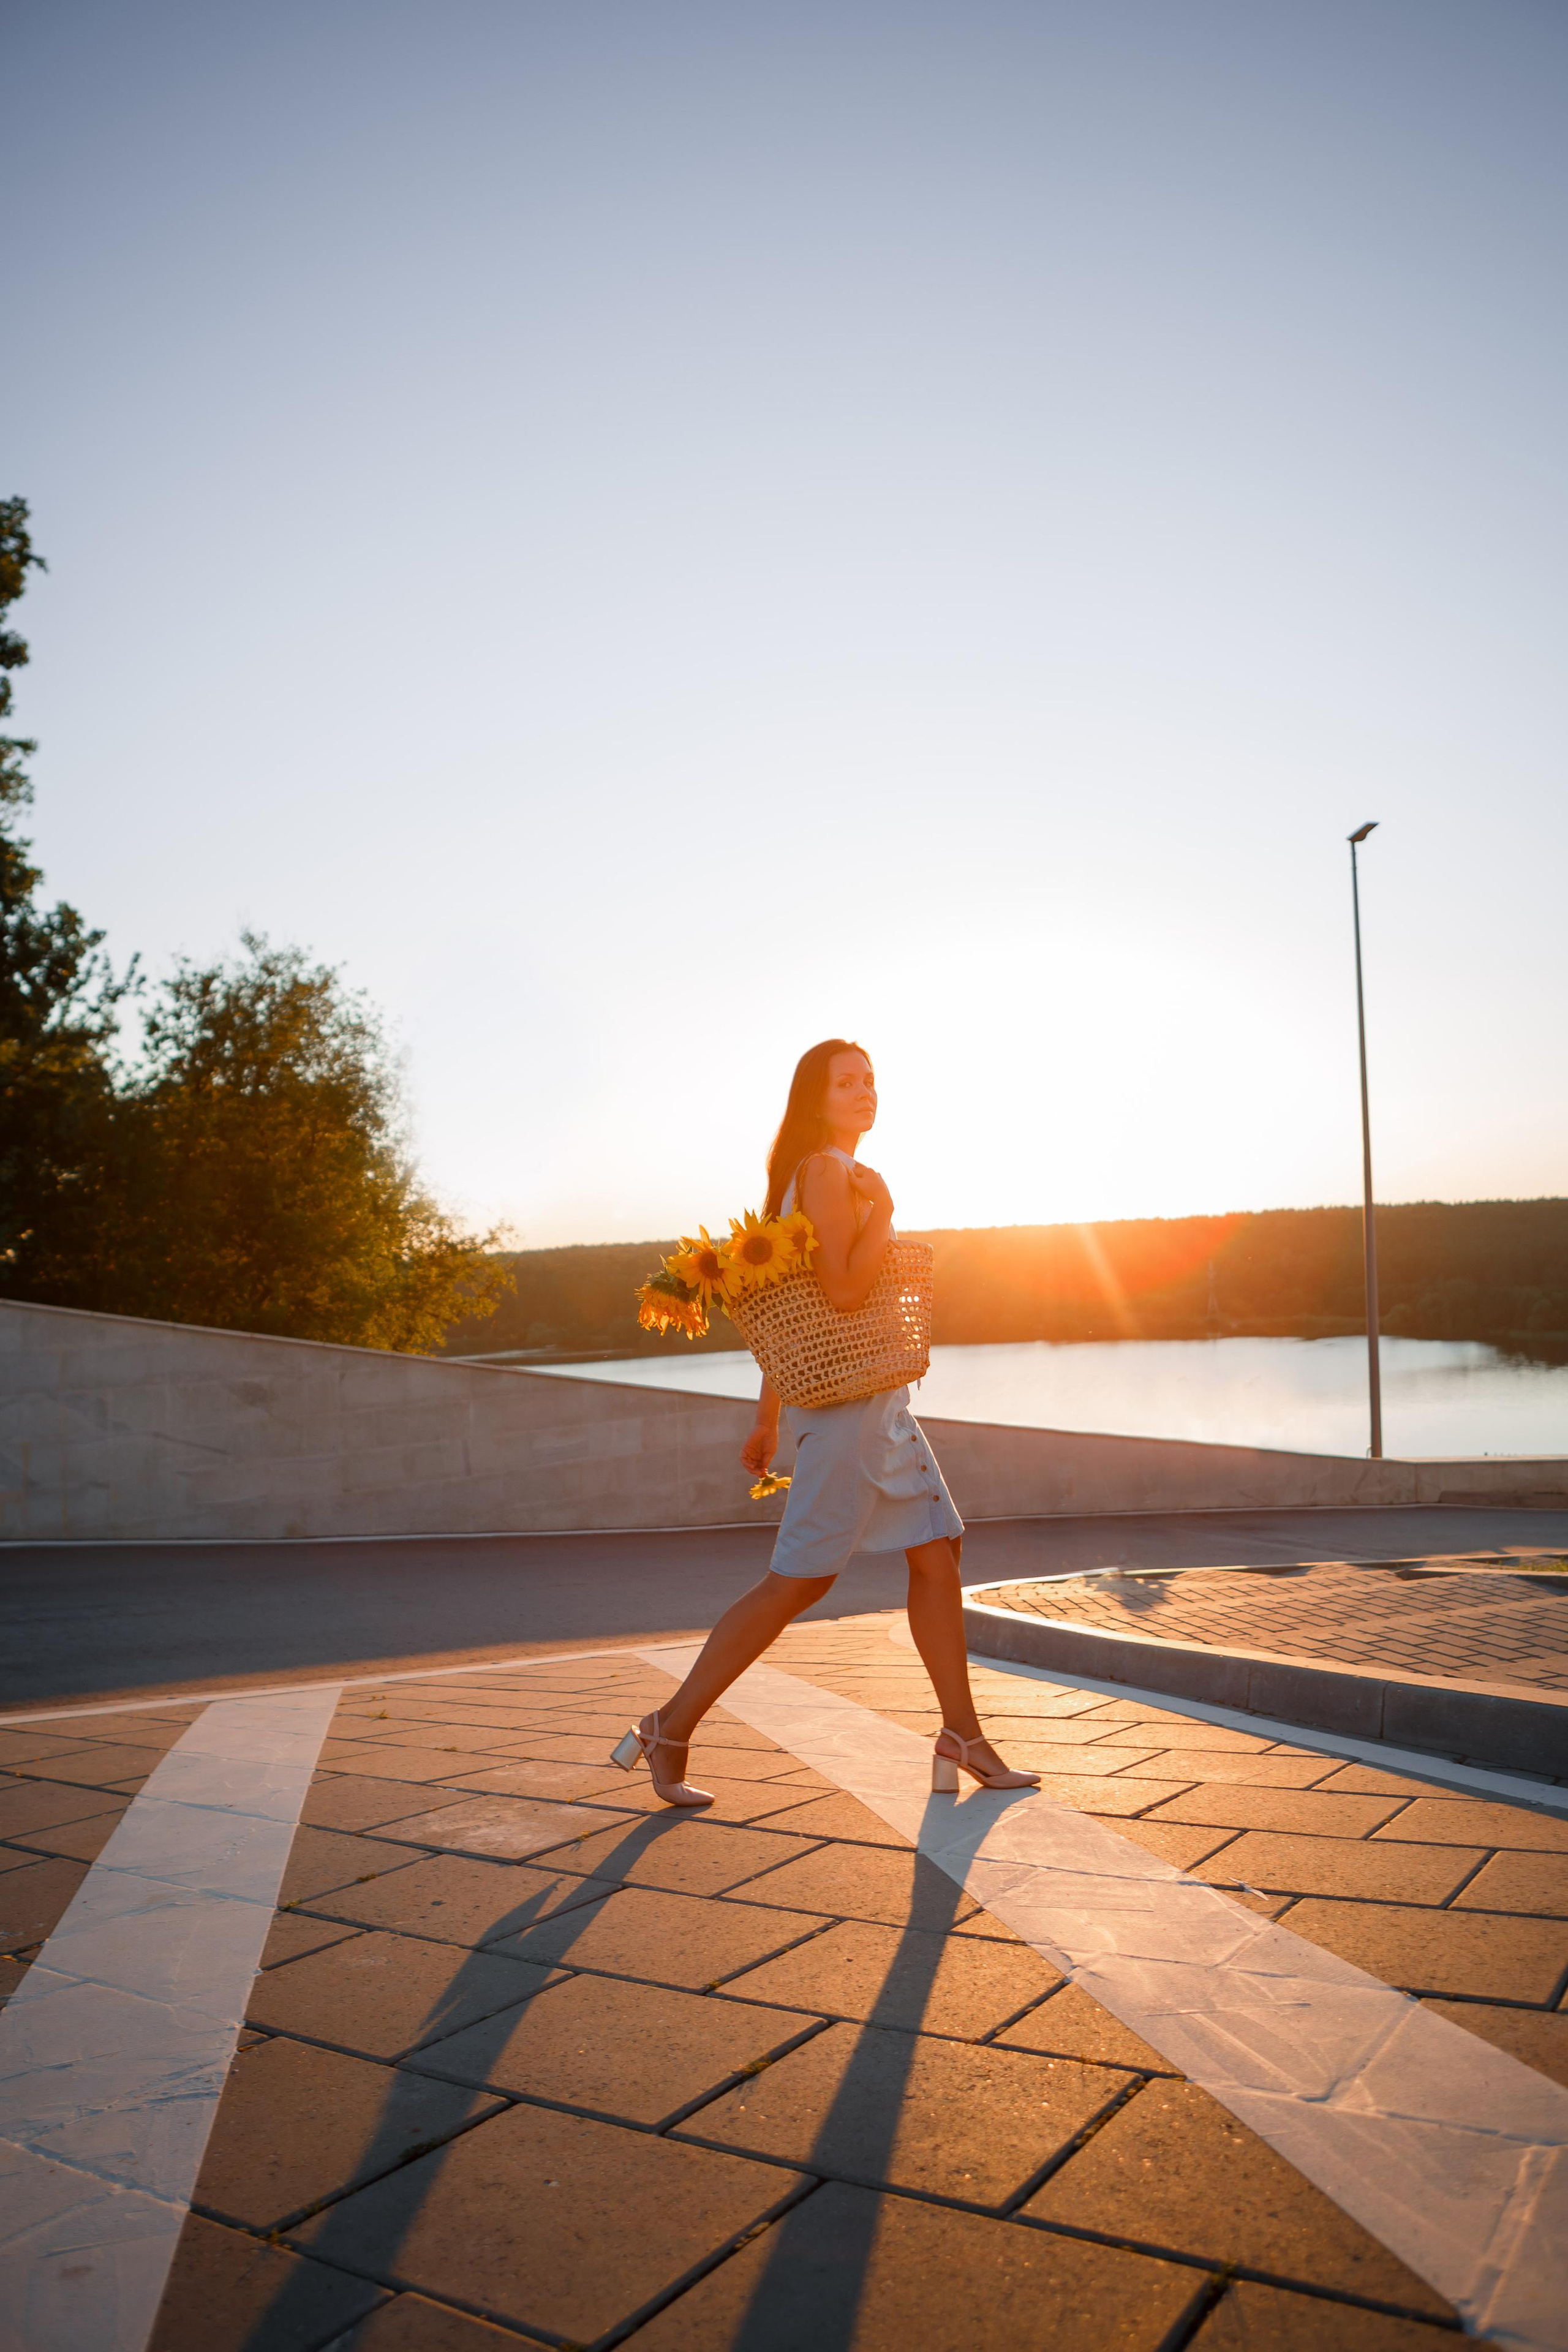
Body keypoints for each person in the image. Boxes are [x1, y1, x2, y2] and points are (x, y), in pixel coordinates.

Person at [612, 1038, 1042, 1807]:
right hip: (850, 1419)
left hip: (864, 1408)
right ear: (816, 1098)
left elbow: (794, 1320)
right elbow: (843, 1295)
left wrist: (768, 1418)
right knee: (798, 1581)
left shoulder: (808, 1177)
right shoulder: (827, 1172)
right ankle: (668, 1726)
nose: (865, 1092)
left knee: (936, 1555)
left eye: (871, 1081)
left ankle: (962, 1737)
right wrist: (887, 1214)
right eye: (847, 1083)